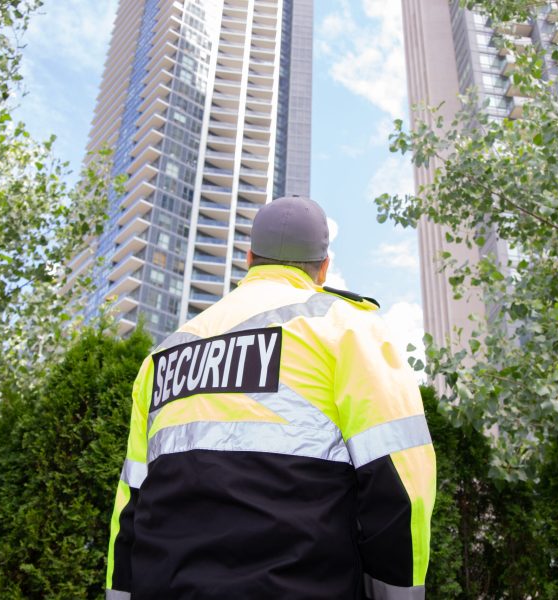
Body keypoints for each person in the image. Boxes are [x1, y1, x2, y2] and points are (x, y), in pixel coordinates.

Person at [105, 196, 436, 600]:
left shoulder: (161, 358)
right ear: (323, 268)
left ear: (249, 260)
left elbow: (130, 504)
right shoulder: (349, 331)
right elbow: (401, 480)